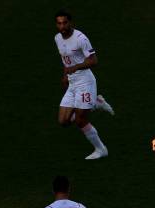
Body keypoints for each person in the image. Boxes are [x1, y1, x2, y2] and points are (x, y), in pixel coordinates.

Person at [55, 9, 114, 160]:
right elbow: (65, 61)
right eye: (59, 23)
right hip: (72, 83)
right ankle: (95, 102)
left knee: (81, 120)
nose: (62, 26)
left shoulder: (80, 38)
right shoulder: (57, 39)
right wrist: (65, 76)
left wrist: (75, 68)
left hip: (85, 82)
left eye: (65, 23)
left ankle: (101, 149)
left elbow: (93, 60)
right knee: (63, 121)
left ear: (70, 23)